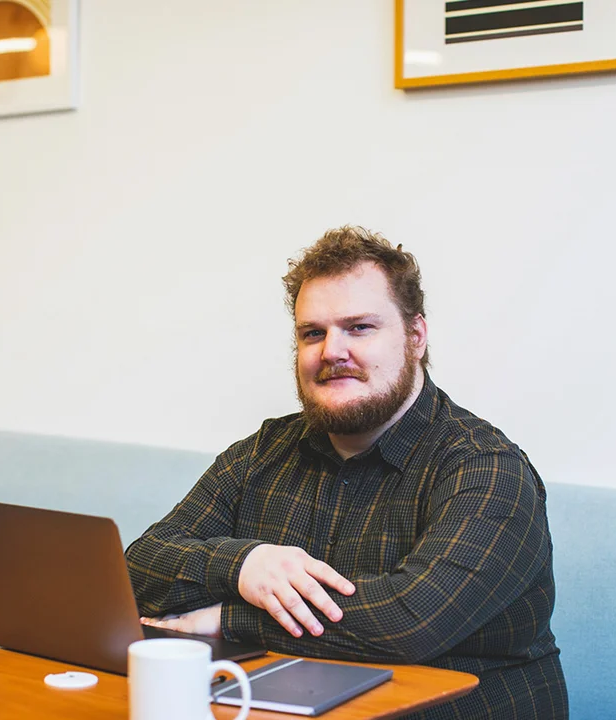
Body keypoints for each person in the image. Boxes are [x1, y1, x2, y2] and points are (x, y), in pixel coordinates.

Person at [125, 226, 568, 719]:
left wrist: (228, 618)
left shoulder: (487, 468)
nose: (331, 351)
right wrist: (244, 566)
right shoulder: (262, 453)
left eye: (359, 328)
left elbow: (407, 622)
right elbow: (139, 567)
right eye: (312, 333)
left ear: (416, 337)